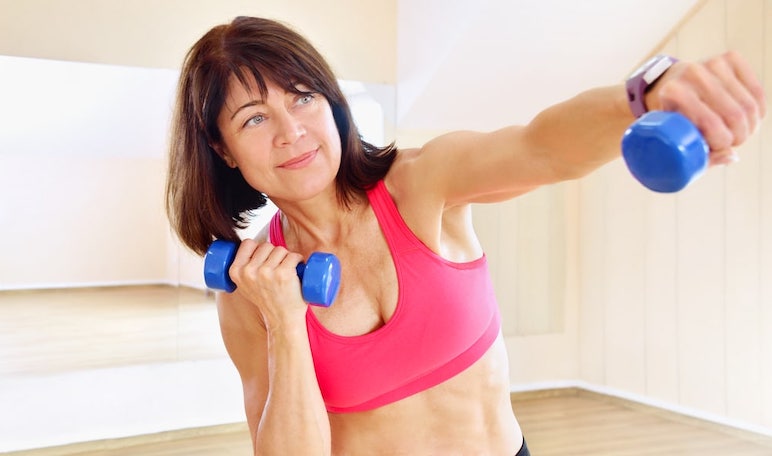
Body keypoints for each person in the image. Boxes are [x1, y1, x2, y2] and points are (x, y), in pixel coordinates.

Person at [165, 15, 766, 456]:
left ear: (333, 103)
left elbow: (541, 147)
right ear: (222, 149)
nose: (292, 131)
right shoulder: (251, 288)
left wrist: (643, 96)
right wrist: (286, 325)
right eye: (254, 118)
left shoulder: (423, 184)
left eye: (303, 98)